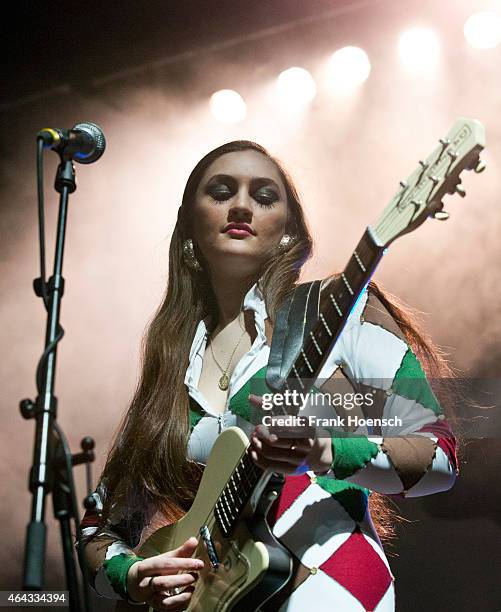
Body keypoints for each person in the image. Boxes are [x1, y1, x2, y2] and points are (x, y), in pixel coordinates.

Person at [79, 140, 458, 611]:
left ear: (287, 231)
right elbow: (98, 524)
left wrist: (322, 450)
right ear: (189, 228)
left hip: (332, 583)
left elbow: (437, 456)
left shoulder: (336, 310)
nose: (241, 205)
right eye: (220, 192)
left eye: (263, 196)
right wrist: (131, 575)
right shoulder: (172, 370)